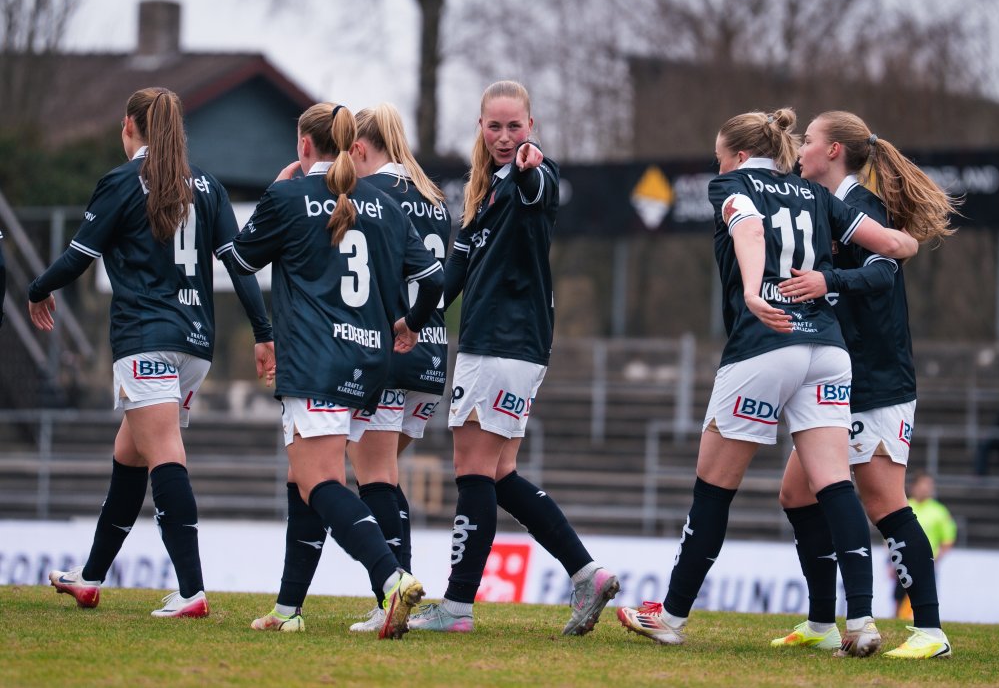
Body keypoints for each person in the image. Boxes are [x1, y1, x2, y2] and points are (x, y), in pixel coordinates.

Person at [616, 108, 918, 656]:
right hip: (828, 352)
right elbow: (898, 247)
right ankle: (863, 623)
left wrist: (756, 290)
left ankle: (671, 614)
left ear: (733, 154)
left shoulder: (731, 184)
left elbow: (748, 227)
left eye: (718, 155)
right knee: (834, 485)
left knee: (714, 488)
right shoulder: (818, 196)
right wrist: (899, 247)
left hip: (764, 347)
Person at [30, 87, 275, 618]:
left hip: (145, 338)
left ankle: (191, 590)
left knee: (162, 451)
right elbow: (239, 265)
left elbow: (77, 257)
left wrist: (37, 288)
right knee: (129, 456)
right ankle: (91, 577)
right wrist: (263, 331)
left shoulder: (121, 182)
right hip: (195, 344)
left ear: (128, 127)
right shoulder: (208, 184)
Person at [407, 80, 619, 635]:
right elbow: (454, 275)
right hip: (513, 349)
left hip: (499, 345)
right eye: (495, 126)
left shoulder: (532, 177)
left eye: (515, 126)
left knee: (472, 471)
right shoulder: (482, 193)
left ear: (532, 127)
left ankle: (455, 608)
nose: (506, 138)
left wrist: (529, 166)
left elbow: (536, 185)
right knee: (500, 474)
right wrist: (411, 320)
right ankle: (586, 573)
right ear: (480, 128)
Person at [234, 102, 443, 638]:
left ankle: (391, 579)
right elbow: (435, 278)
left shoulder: (287, 195)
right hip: (369, 362)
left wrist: (263, 333)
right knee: (302, 478)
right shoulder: (383, 201)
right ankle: (287, 609)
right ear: (350, 145)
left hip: (315, 358)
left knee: (320, 479)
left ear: (305, 146)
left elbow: (237, 260)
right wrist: (410, 325)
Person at [766, 110, 958, 659]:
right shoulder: (824, 206)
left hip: (877, 380)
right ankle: (822, 622)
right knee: (796, 493)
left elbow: (883, 272)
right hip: (842, 380)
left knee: (885, 503)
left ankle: (930, 631)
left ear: (833, 152)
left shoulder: (862, 207)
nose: (800, 148)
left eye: (809, 140)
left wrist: (829, 280)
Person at [894, 472, 956, 620]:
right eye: (922, 485)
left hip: (927, 563)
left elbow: (948, 539)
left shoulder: (939, 511)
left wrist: (937, 559)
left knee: (925, 596)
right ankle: (896, 620)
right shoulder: (904, 506)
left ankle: (924, 623)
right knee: (898, 596)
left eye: (929, 485)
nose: (925, 489)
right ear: (913, 487)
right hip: (903, 561)